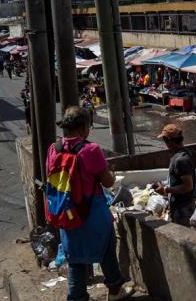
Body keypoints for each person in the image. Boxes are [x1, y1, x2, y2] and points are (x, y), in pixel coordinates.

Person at [46, 107, 133, 301]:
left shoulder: (54, 149)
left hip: (66, 212)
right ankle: (115, 290)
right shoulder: (91, 150)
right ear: (83, 127)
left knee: (75, 260)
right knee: (106, 249)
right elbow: (108, 182)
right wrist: (109, 170)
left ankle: (76, 297)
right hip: (92, 213)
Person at [154, 124, 196, 226]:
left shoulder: (180, 160)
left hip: (182, 209)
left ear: (168, 140)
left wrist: (166, 190)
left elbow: (188, 186)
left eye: (164, 140)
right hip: (183, 206)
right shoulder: (185, 153)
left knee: (182, 238)